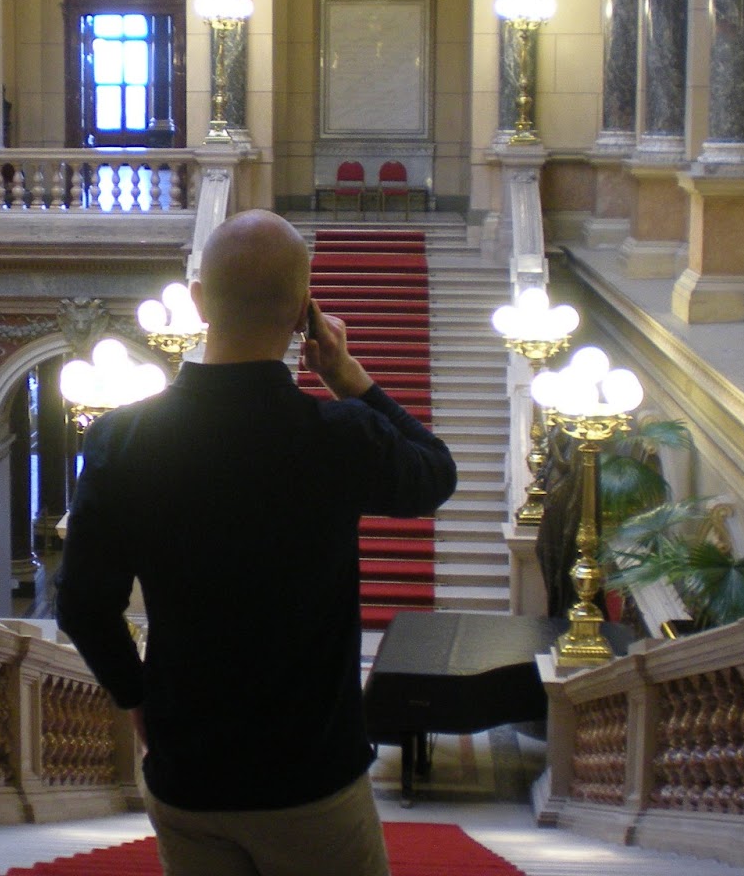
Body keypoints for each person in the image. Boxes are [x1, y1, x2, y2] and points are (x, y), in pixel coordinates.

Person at [56, 210, 457, 876]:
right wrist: (348, 376)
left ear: (199, 302)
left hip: (190, 776)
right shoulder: (339, 436)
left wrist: (137, 699)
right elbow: (435, 473)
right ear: (303, 313)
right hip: (312, 780)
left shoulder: (121, 439)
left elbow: (81, 605)